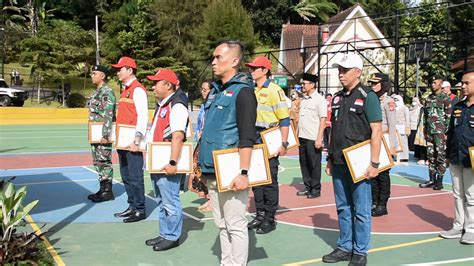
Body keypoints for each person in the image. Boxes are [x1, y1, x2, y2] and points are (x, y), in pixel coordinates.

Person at [198, 40, 257, 265]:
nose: (213, 62)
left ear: (234, 61)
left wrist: (243, 172)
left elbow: (247, 135)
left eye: (218, 57)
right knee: (221, 224)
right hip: (212, 169)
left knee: (235, 224)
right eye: (213, 57)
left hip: (231, 171)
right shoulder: (217, 91)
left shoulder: (243, 93)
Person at [323, 53, 382, 266]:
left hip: (359, 164)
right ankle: (345, 246)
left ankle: (360, 251)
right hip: (338, 161)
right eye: (339, 70)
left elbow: (376, 131)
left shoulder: (368, 96)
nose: (341, 74)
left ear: (358, 72)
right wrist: (330, 158)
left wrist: (374, 163)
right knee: (343, 207)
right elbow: (334, 131)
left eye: (345, 70)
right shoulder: (337, 97)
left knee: (361, 209)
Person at [144, 69, 188, 251]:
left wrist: (172, 163)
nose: (153, 86)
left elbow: (177, 136)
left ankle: (172, 236)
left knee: (170, 200)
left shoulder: (176, 105)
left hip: (166, 162)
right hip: (157, 161)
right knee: (162, 200)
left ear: (168, 85)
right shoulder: (163, 104)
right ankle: (165, 232)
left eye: (156, 82)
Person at [245, 56, 290, 234]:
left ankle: (270, 218)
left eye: (255, 68)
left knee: (270, 180)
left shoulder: (274, 90)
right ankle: (260, 213)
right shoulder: (252, 90)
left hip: (269, 137)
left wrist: (284, 143)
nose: (251, 71)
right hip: (253, 137)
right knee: (256, 178)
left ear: (265, 70)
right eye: (251, 68)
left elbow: (284, 119)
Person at [111, 56, 149, 223]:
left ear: (129, 70)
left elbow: (142, 116)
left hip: (133, 142)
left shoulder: (137, 89)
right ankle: (132, 205)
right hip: (123, 142)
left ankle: (140, 209)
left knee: (135, 176)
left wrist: (137, 140)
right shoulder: (126, 89)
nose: (118, 72)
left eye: (120, 69)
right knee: (126, 175)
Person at [440, 70, 474, 244]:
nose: (463, 86)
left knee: (471, 195)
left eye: (467, 83)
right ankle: (458, 225)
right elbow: (451, 132)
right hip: (455, 157)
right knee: (457, 194)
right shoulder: (458, 107)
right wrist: (447, 155)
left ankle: (471, 228)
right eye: (462, 83)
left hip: (471, 160)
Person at [368, 73, 397, 217]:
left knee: (383, 175)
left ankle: (382, 204)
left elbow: (392, 125)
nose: (373, 86)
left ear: (383, 84)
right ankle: (374, 201)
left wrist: (392, 145)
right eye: (371, 83)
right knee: (372, 173)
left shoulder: (388, 101)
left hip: (384, 140)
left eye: (375, 83)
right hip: (373, 140)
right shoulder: (371, 98)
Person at [87, 65, 116, 202]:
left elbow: (108, 115)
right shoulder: (96, 92)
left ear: (102, 76)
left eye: (94, 73)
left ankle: (107, 192)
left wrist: (105, 135)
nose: (92, 75)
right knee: (98, 161)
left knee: (104, 161)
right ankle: (102, 189)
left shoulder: (106, 92)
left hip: (102, 134)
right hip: (95, 133)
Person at [296, 73, 327, 199]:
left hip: (313, 137)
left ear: (312, 85)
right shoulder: (304, 100)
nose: (302, 86)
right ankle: (307, 186)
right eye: (302, 83)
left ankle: (315, 189)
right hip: (302, 136)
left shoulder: (320, 100)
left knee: (314, 164)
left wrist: (319, 138)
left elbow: (323, 120)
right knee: (304, 163)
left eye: (305, 84)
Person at [419, 74, 451, 190]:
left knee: (440, 155)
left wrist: (446, 133)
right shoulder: (428, 98)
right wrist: (424, 129)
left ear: (441, 84)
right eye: (431, 83)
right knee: (430, 155)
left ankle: (439, 180)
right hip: (429, 131)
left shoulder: (445, 98)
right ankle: (431, 178)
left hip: (440, 132)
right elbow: (425, 116)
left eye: (435, 82)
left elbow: (449, 117)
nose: (432, 85)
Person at [190, 80, 212, 212]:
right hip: (200, 141)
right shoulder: (204, 105)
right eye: (202, 89)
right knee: (198, 170)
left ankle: (212, 200)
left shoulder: (213, 105)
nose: (203, 92)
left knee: (207, 171)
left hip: (209, 142)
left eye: (206, 89)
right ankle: (208, 197)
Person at [393, 94, 410, 162]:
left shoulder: (405, 108)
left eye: (397, 100)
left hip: (402, 127)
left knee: (403, 142)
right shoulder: (393, 108)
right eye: (395, 100)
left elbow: (407, 119)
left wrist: (407, 129)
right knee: (396, 143)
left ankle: (404, 157)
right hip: (395, 127)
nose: (396, 101)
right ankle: (396, 156)